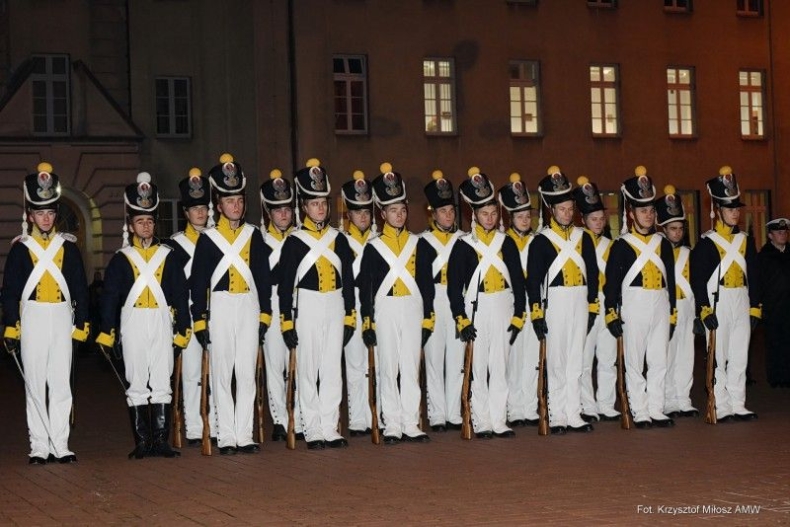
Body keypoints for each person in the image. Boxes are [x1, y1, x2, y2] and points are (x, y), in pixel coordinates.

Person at [96, 172, 190, 459]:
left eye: (149, 221)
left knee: (162, 378)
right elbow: (110, 297)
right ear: (131, 225)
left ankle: (160, 441)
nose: (146, 226)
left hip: (161, 319)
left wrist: (183, 327)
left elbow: (180, 293)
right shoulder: (121, 259)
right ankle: (142, 442)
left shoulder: (168, 255)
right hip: (133, 320)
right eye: (140, 221)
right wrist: (107, 330)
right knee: (136, 380)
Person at [2, 162, 89, 464]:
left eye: (50, 212)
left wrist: (82, 322)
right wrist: (11, 324)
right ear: (30, 215)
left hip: (62, 316)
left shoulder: (69, 248)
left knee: (61, 382)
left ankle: (60, 443)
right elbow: (10, 291)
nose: (46, 218)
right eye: (40, 213)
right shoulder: (20, 249)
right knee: (35, 383)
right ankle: (39, 445)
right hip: (33, 316)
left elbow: (80, 289)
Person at [190, 153, 272, 454]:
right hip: (221, 306)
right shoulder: (208, 239)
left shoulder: (253, 235)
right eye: (229, 201)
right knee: (222, 373)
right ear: (219, 204)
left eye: (239, 200)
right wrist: (200, 319)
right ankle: (225, 434)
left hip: (248, 305)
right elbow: (198, 283)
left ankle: (244, 433)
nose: (235, 206)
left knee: (247, 373)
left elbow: (263, 277)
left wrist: (265, 314)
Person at [278, 158, 355, 449]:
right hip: (307, 305)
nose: (320, 209)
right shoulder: (294, 241)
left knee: (331, 368)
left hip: (334, 304)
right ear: (304, 207)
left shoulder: (339, 239)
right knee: (308, 369)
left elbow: (348, 280)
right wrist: (286, 321)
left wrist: (350, 315)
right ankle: (312, 428)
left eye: (323, 203)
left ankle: (330, 426)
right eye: (314, 204)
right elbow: (285, 285)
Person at [359, 162, 435, 444]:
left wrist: (428, 316)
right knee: (388, 368)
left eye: (402, 210)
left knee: (410, 367)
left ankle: (411, 422)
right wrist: (367, 320)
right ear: (383, 214)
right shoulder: (373, 247)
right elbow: (366, 287)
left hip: (412, 307)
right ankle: (391, 423)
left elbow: (426, 284)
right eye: (393, 210)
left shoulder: (419, 244)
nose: (399, 215)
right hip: (386, 308)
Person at [448, 166, 525, 439]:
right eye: (484, 214)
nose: (490, 218)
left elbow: (518, 281)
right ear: (474, 215)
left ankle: (499, 419)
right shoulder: (463, 245)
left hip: (503, 305)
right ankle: (481, 420)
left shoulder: (507, 243)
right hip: (476, 309)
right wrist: (461, 318)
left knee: (500, 366)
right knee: (478, 367)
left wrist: (519, 314)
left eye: (493, 213)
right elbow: (454, 288)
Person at [527, 166, 598, 434]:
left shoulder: (583, 237)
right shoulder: (541, 241)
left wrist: (592, 305)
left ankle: (573, 412)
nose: (567, 213)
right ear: (552, 210)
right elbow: (533, 280)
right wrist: (536, 312)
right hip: (555, 300)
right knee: (557, 361)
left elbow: (592, 273)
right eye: (562, 209)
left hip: (579, 299)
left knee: (576, 359)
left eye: (570, 209)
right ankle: (557, 414)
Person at [604, 166, 676, 429]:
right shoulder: (621, 245)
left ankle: (656, 407)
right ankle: (640, 409)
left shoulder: (663, 243)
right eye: (643, 211)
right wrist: (611, 312)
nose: (648, 215)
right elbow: (611, 283)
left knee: (659, 359)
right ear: (632, 214)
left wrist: (673, 311)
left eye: (651, 210)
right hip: (634, 304)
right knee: (634, 361)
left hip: (660, 303)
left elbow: (671, 280)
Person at [691, 166, 760, 422]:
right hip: (718, 301)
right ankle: (720, 403)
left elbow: (754, 274)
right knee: (718, 356)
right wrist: (704, 309)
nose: (735, 213)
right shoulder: (706, 243)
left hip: (741, 299)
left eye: (737, 208)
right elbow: (698, 280)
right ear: (718, 210)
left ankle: (738, 402)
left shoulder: (745, 240)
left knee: (740, 354)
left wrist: (755, 306)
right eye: (730, 209)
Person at [163, 167, 216, 446]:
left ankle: (215, 424)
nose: (200, 213)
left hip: (217, 311)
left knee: (217, 372)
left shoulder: (218, 240)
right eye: (195, 209)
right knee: (193, 372)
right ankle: (195, 427)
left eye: (204, 208)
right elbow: (172, 286)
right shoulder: (175, 245)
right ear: (186, 212)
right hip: (189, 312)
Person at [258, 168, 302, 441]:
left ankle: (298, 415)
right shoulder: (261, 242)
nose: (284, 215)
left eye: (287, 209)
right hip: (273, 305)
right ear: (269, 212)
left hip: (301, 303)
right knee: (275, 364)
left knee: (299, 363)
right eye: (278, 210)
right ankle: (279, 419)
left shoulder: (302, 239)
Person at [421, 170, 465, 432]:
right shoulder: (423, 242)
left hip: (458, 300)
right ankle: (437, 414)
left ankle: (454, 411)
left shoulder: (464, 240)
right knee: (434, 359)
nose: (448, 215)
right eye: (443, 211)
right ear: (433, 214)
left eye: (451, 211)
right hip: (435, 299)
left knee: (457, 360)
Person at [573, 176, 619, 422]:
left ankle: (606, 403)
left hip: (608, 304)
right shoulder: (576, 245)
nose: (599, 223)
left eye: (601, 219)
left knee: (608, 358)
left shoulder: (612, 245)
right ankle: (587, 405)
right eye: (594, 219)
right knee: (584, 358)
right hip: (585, 304)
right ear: (583, 220)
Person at [498, 173, 540, 428]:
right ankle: (514, 408)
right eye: (520, 216)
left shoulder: (538, 240)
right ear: (510, 218)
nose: (525, 220)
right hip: (511, 303)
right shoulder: (502, 243)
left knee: (532, 358)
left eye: (528, 216)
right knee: (513, 358)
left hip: (534, 303)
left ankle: (530, 407)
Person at [656, 185, 698, 418]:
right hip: (665, 308)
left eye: (680, 228)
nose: (677, 232)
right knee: (666, 355)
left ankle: (683, 398)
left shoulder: (689, 254)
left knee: (686, 354)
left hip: (687, 307)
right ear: (663, 229)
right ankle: (666, 398)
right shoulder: (656, 254)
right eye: (673, 228)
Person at [339, 170, 375, 436]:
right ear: (348, 214)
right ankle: (358, 419)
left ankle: (377, 414)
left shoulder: (379, 241)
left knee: (379, 364)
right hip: (352, 305)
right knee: (355, 364)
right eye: (357, 211)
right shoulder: (341, 241)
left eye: (366, 211)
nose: (363, 216)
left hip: (377, 305)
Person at [757, 218, 790, 388]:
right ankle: (776, 378)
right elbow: (759, 282)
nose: (783, 235)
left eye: (785, 232)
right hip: (773, 307)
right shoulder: (764, 256)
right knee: (775, 342)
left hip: (789, 305)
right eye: (779, 232)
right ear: (770, 235)